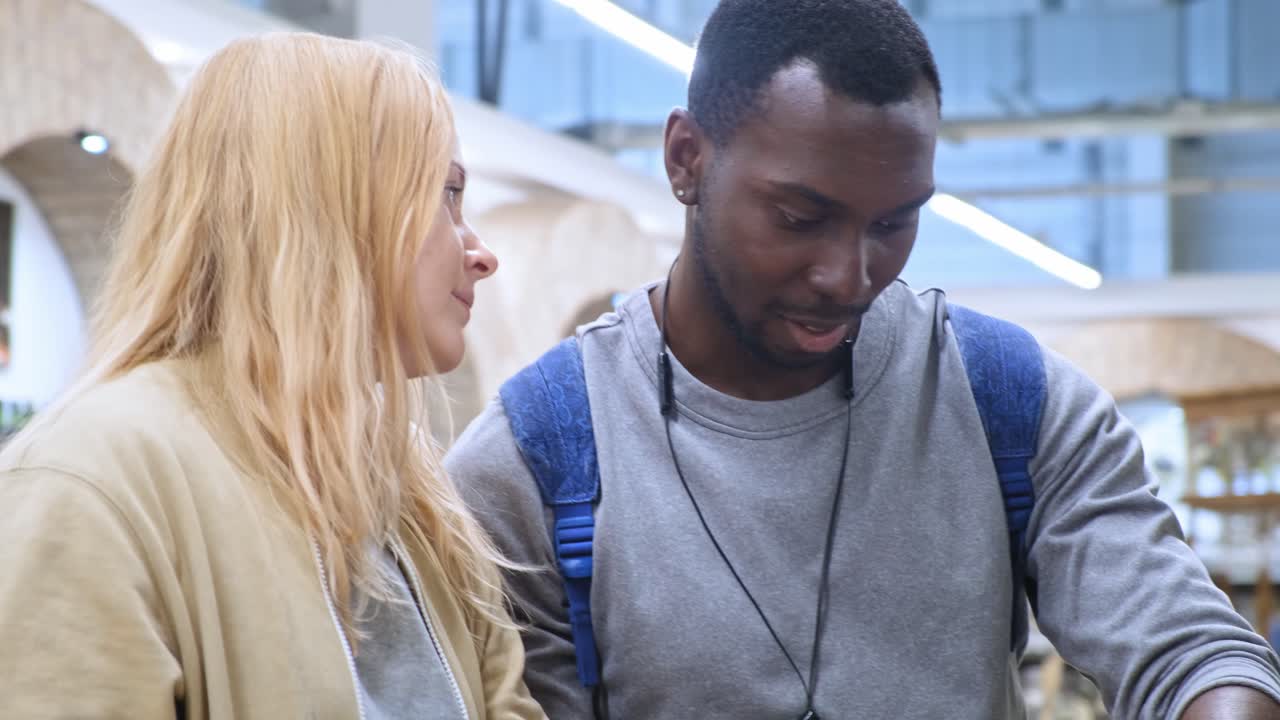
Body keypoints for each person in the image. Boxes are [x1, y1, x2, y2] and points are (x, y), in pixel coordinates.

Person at [446, 1, 1280, 718]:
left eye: (893, 224)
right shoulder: (533, 467)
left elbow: (1190, 651)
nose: (849, 278)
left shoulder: (1012, 407)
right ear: (686, 160)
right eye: (799, 218)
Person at [0, 33, 546, 720]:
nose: (482, 254)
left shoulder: (408, 484)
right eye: (448, 194)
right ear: (331, 206)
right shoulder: (89, 481)